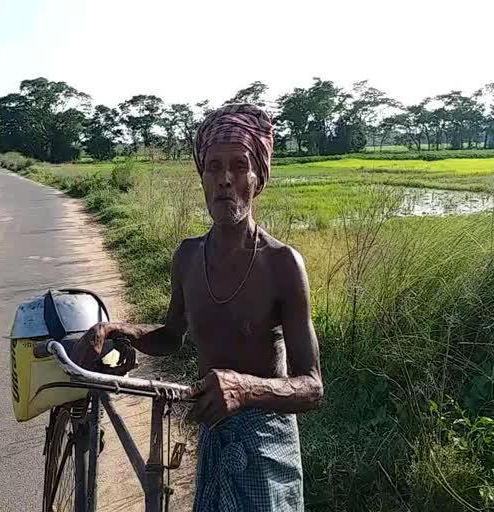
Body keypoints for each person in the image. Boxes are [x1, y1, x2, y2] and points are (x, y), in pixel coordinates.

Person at [72, 104, 323, 511]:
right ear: (202, 179)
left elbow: (311, 386)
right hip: (213, 436)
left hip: (267, 448)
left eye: (240, 166)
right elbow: (173, 335)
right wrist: (120, 330)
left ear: (257, 179)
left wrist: (245, 388)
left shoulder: (282, 265)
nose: (226, 179)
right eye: (213, 167)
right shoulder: (187, 258)